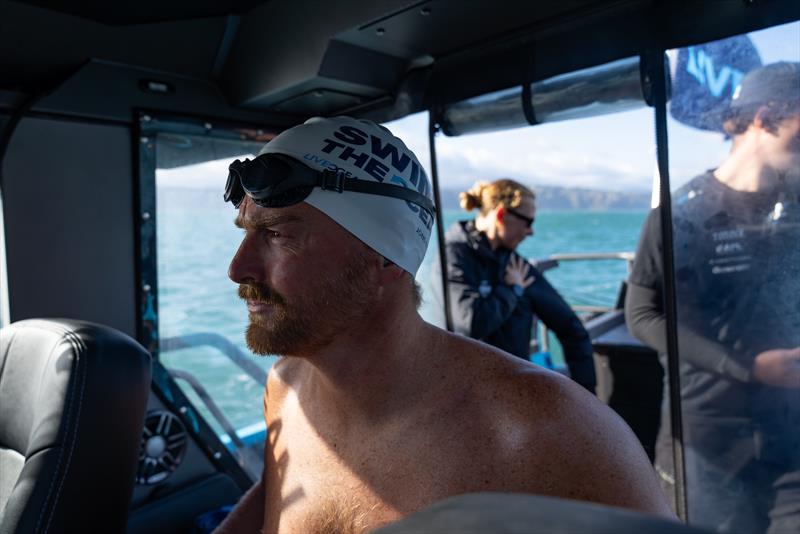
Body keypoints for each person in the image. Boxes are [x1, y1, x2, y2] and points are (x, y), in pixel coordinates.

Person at [215, 116, 673, 533]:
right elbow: (277, 499)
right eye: (247, 233)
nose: (238, 269)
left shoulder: (552, 430)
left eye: (277, 235)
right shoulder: (284, 389)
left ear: (383, 255)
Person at [626, 62, 800, 533]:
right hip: (709, 443)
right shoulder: (683, 212)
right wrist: (747, 367)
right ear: (765, 118)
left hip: (792, 432)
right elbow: (641, 314)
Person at [437, 179, 597, 392]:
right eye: (528, 222)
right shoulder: (453, 256)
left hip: (514, 391)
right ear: (502, 215)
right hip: (466, 393)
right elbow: (470, 322)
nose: (531, 232)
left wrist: (587, 397)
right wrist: (512, 290)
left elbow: (571, 327)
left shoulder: (514, 265)